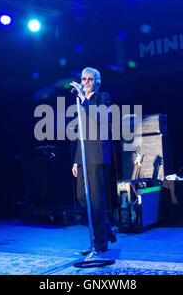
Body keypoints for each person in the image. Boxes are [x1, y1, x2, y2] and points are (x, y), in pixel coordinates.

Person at [70, 67, 116, 255]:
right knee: (83, 198)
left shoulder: (102, 97)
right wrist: (75, 160)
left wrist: (84, 99)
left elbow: (99, 119)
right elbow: (81, 133)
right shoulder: (80, 102)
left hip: (96, 155)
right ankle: (106, 229)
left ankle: (99, 242)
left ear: (97, 82)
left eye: (90, 79)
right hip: (83, 155)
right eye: (83, 79)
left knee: (96, 200)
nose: (86, 82)